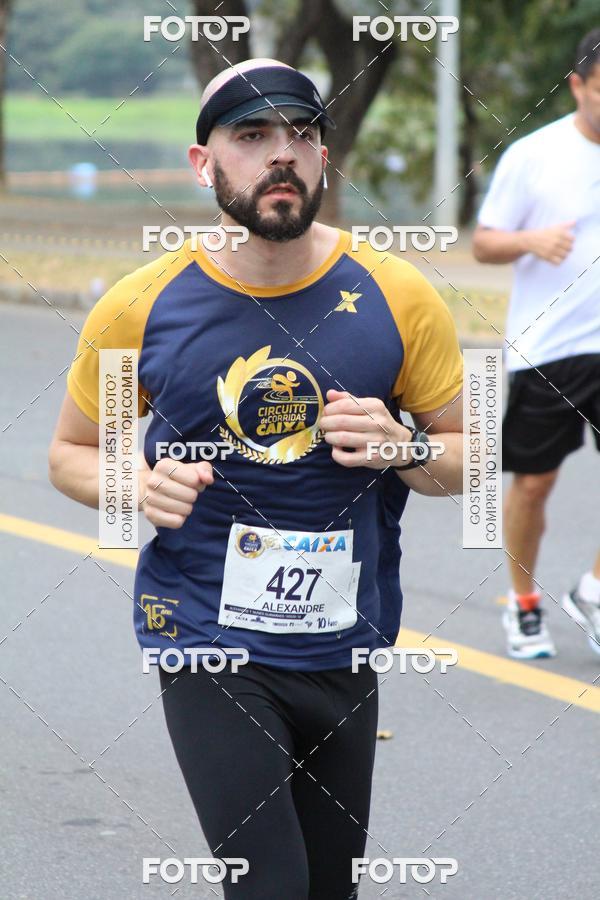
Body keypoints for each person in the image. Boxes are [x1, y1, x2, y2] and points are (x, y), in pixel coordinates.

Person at [49, 58, 464, 899]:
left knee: (328, 890)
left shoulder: (400, 293)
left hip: (344, 645)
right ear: (203, 164)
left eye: (302, 134)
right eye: (252, 136)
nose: (283, 153)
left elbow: (473, 458)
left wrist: (405, 447)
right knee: (269, 885)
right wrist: (133, 487)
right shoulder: (141, 304)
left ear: (322, 156)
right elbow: (69, 454)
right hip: (207, 643)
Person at [473, 30, 600, 660]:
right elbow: (484, 243)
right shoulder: (534, 155)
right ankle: (523, 604)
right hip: (548, 345)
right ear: (579, 85)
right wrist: (533, 241)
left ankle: (595, 589)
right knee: (532, 485)